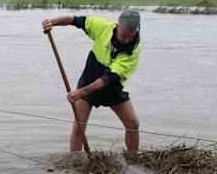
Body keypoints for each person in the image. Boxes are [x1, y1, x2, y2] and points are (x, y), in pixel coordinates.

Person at [42, 10, 142, 152]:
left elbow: (109, 78)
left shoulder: (134, 50)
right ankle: (74, 164)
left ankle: (133, 160)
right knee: (79, 127)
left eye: (130, 37)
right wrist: (52, 22)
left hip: (112, 87)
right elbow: (75, 20)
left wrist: (80, 92)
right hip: (89, 80)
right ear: (117, 26)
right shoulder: (104, 27)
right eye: (124, 36)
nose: (126, 40)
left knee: (133, 124)